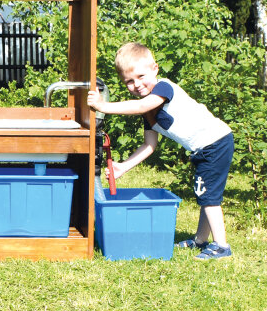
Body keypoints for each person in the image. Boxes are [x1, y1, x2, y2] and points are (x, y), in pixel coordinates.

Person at [87, 42, 234, 260]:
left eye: (141, 76)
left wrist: (103, 106)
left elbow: (139, 106)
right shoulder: (149, 113)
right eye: (129, 81)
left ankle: (221, 246)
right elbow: (149, 146)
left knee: (208, 195)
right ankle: (201, 240)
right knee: (204, 192)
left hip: (216, 142)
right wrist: (123, 167)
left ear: (155, 68)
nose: (136, 84)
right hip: (204, 148)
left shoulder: (163, 88)